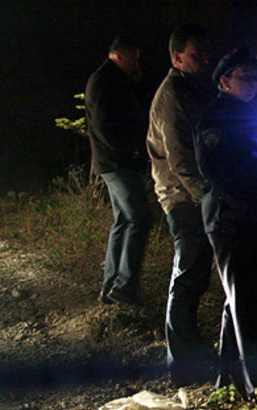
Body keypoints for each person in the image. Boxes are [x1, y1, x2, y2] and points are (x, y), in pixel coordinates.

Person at [195, 47, 257, 404]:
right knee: (248, 302)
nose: (252, 84)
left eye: (254, 77)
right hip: (230, 218)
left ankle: (229, 378)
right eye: (244, 78)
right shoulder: (214, 120)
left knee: (243, 299)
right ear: (224, 81)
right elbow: (214, 171)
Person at [146, 24, 215, 386]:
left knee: (194, 276)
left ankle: (190, 356)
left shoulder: (194, 89)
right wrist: (208, 196)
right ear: (177, 58)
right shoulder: (173, 94)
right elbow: (180, 159)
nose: (204, 60)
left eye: (206, 54)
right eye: (196, 56)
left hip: (191, 196)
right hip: (182, 197)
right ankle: (182, 365)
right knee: (187, 277)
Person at [85, 35, 151, 306]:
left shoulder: (114, 80)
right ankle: (123, 286)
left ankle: (111, 287)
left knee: (124, 220)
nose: (137, 62)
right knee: (139, 218)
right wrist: (132, 149)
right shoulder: (103, 81)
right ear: (120, 56)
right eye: (134, 57)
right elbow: (105, 127)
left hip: (116, 161)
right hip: (116, 162)